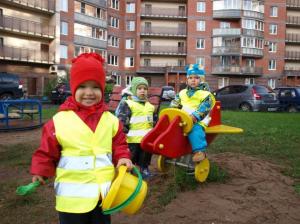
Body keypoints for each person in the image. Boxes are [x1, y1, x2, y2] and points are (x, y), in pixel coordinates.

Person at [30, 53, 133, 224]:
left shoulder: (111, 120)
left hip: (103, 195)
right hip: (71, 199)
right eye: (82, 86)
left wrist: (123, 157)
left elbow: (119, 143)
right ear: (73, 88)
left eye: (95, 87)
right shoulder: (59, 121)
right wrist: (40, 169)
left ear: (102, 89)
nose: (89, 93)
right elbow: (46, 151)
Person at [170, 64, 216, 162]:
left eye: (196, 78)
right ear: (187, 80)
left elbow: (204, 108)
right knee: (171, 129)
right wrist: (172, 111)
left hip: (198, 120)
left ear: (202, 80)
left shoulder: (206, 94)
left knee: (195, 130)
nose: (193, 80)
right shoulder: (182, 92)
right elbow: (175, 103)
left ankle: (199, 151)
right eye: (190, 78)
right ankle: (171, 148)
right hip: (183, 119)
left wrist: (195, 116)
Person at [116, 77, 155, 178]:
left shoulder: (150, 106)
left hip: (147, 138)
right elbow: (122, 117)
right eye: (139, 88)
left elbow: (153, 120)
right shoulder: (128, 103)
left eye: (145, 89)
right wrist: (123, 127)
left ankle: (144, 168)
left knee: (145, 155)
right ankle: (129, 171)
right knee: (132, 156)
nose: (142, 91)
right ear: (134, 90)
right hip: (132, 139)